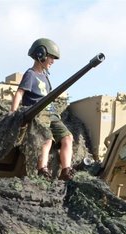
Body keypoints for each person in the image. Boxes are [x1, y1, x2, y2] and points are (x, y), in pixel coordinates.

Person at [10, 38, 74, 181]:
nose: (52, 61)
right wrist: (12, 114)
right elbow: (20, 93)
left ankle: (66, 170)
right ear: (41, 55)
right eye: (51, 57)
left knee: (68, 137)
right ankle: (42, 169)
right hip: (38, 112)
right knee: (47, 138)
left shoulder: (45, 77)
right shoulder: (31, 74)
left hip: (51, 113)